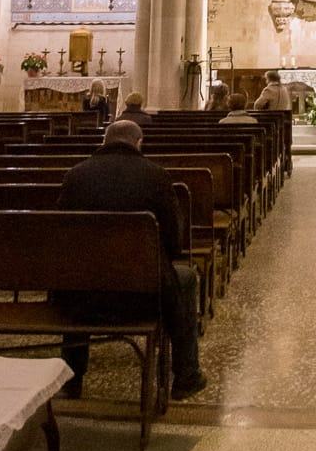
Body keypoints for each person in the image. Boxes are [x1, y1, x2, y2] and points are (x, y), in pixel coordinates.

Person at [53, 119, 205, 400]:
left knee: (79, 270)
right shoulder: (156, 176)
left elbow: (63, 238)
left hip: (81, 298)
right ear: (139, 143)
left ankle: (72, 378)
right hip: (143, 296)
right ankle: (186, 374)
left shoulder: (75, 175)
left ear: (104, 142)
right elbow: (174, 244)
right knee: (185, 278)